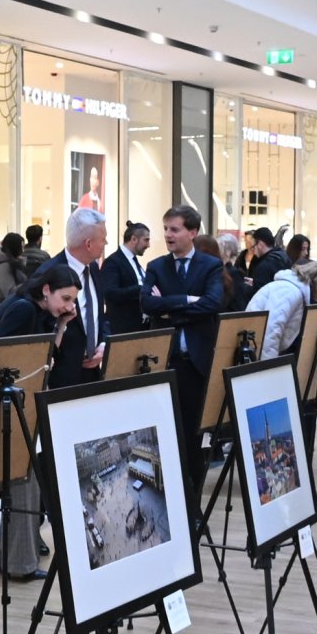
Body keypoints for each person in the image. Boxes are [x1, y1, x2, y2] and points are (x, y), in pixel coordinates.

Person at [0, 263, 81, 581]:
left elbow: (43, 356)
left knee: (26, 484)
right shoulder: (22, 310)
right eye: (66, 299)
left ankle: (18, 561)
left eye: (73, 301)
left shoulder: (36, 311)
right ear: (46, 290)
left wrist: (62, 325)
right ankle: (19, 563)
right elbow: (1, 357)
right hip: (16, 408)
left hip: (23, 404)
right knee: (22, 484)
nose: (70, 307)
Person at [140, 205, 225, 495]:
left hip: (197, 364)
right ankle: (168, 495)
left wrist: (171, 308)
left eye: (174, 229)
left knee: (191, 435)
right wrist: (190, 300)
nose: (167, 235)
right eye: (165, 229)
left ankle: (193, 500)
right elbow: (147, 304)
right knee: (163, 433)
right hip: (165, 360)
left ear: (192, 232)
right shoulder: (156, 267)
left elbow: (212, 304)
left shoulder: (210, 266)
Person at [40, 206, 109, 386]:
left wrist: (103, 344)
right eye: (103, 239)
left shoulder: (93, 268)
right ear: (88, 244)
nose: (106, 243)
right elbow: (41, 327)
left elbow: (99, 314)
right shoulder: (49, 274)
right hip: (60, 377)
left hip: (92, 373)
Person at [248, 260, 317, 360]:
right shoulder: (291, 291)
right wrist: (269, 369)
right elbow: (271, 331)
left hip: (257, 349)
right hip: (256, 352)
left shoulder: (297, 290)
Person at [98, 220, 148, 335]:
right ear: (134, 239)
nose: (148, 245)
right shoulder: (113, 262)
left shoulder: (133, 261)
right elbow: (110, 293)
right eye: (146, 240)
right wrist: (140, 289)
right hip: (122, 329)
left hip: (138, 327)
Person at [247, 226, 292, 295]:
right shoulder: (284, 257)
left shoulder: (263, 266)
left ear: (260, 244)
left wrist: (255, 285)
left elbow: (260, 295)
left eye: (253, 247)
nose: (253, 251)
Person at [0, 231, 28, 304]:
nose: (22, 250)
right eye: (21, 247)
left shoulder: (13, 263)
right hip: (8, 309)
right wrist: (28, 285)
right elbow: (10, 292)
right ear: (15, 247)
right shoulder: (2, 267)